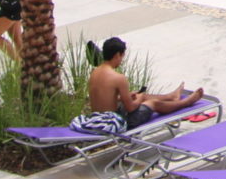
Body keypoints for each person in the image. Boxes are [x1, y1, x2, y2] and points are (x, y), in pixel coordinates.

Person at [73, 37, 203, 134]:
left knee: (141, 96)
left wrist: (126, 97)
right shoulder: (118, 78)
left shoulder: (94, 73)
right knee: (152, 103)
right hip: (112, 122)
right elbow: (131, 109)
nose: (121, 60)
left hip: (97, 117)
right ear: (118, 55)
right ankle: (186, 102)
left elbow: (102, 98)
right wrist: (139, 99)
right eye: (122, 56)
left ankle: (172, 96)